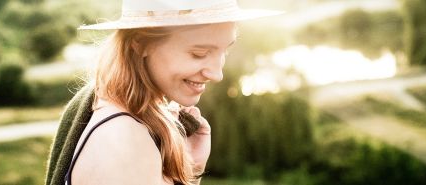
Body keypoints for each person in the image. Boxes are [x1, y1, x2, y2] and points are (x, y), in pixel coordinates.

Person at [44, 0, 282, 184]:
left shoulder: (116, 112)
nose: (217, 74)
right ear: (140, 43)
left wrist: (189, 171)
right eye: (199, 54)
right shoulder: (125, 140)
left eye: (224, 51)